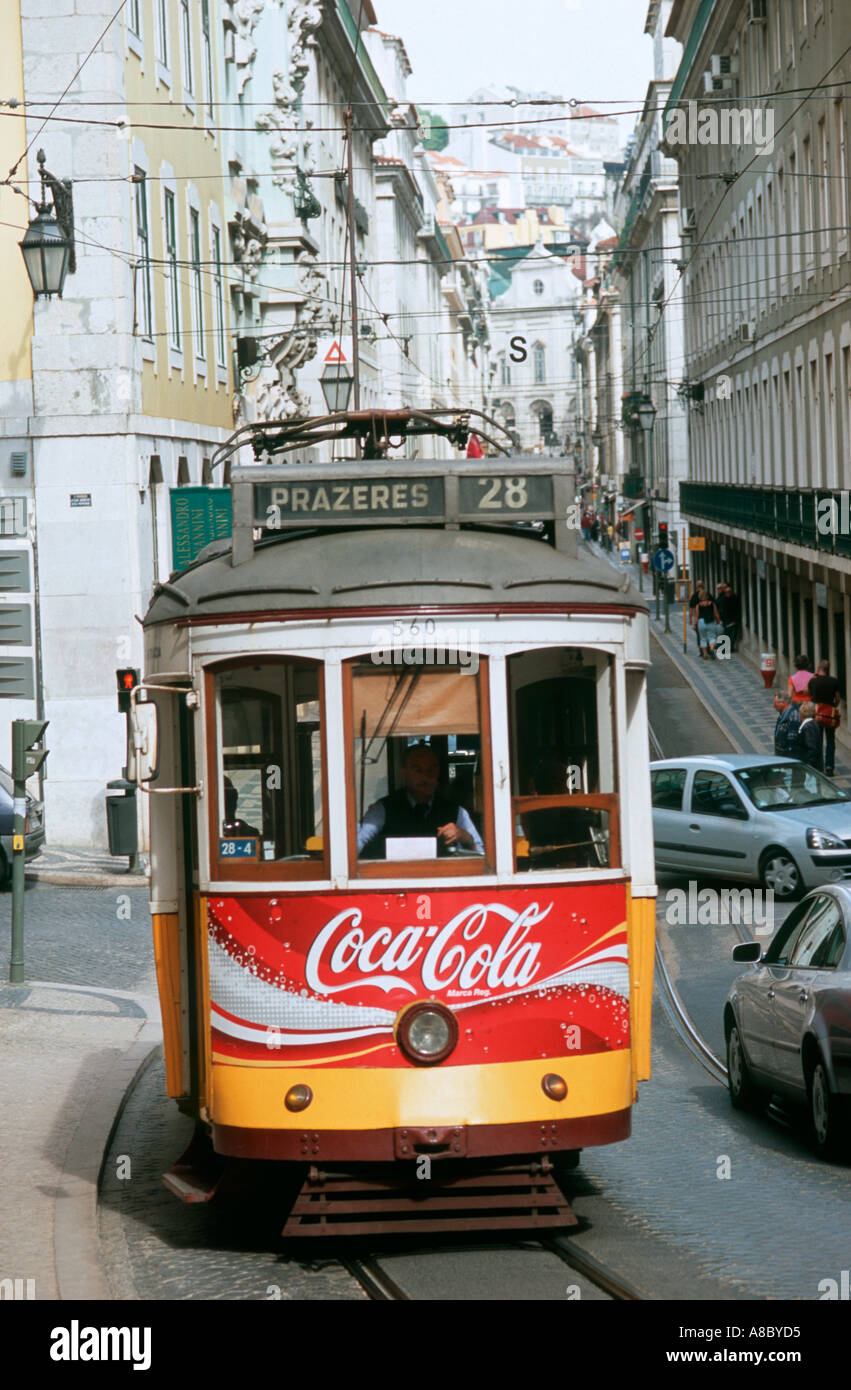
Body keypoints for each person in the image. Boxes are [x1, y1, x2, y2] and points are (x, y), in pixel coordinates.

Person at [357, 743, 483, 858]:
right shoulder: (383, 808)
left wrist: (467, 838)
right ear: (404, 773)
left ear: (438, 771)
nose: (426, 776)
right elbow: (357, 844)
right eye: (418, 770)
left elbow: (482, 856)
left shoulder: (456, 812)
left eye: (431, 769)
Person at [808, 658, 841, 776]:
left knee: (818, 740)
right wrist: (832, 707)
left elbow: (808, 694)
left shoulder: (813, 681)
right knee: (830, 740)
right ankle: (829, 766)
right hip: (830, 715)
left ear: (818, 668)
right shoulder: (834, 681)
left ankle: (819, 765)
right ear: (828, 669)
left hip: (817, 714)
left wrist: (812, 678)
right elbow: (837, 698)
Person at [692, 584, 721, 658]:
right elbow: (716, 614)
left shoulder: (698, 605)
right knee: (712, 637)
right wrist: (718, 621)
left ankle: (704, 654)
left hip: (701, 622)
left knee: (703, 638)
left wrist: (694, 625)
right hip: (710, 621)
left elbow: (696, 616)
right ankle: (711, 649)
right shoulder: (712, 604)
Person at [792, 701, 823, 771]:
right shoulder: (810, 724)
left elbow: (811, 748)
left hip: (810, 767)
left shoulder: (808, 727)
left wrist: (807, 766)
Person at [716, 582, 741, 652]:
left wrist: (735, 620)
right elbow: (722, 609)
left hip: (733, 620)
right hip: (726, 619)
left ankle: (730, 647)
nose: (727, 593)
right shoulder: (723, 598)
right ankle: (725, 647)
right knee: (726, 634)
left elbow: (737, 609)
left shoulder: (734, 598)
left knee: (731, 635)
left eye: (729, 592)